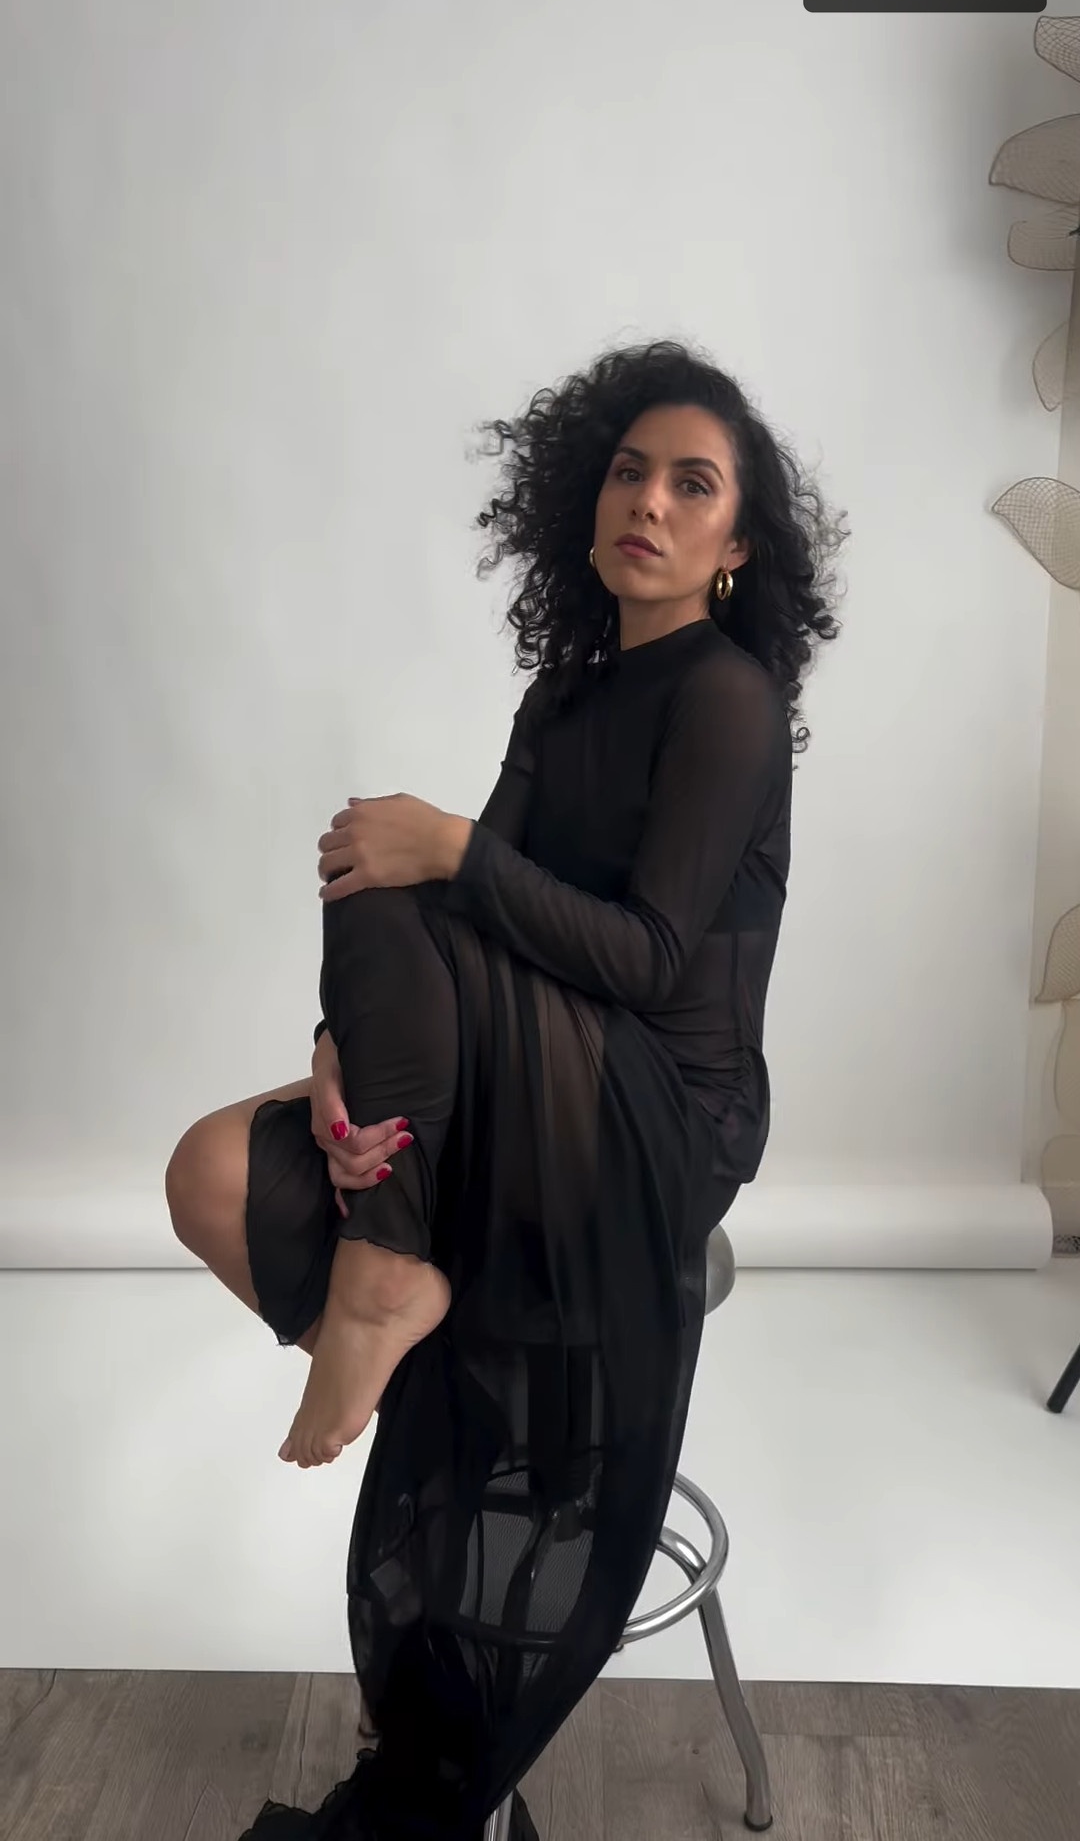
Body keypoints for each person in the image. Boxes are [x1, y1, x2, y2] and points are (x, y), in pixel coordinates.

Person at [165, 337, 844, 1839]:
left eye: (692, 486)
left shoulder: (725, 699)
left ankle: (391, 1282)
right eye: (629, 473)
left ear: (737, 546)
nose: (649, 503)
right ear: (584, 500)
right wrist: (340, 1061)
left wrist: (457, 848)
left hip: (663, 1111)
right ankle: (407, 1292)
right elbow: (458, 936)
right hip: (537, 1073)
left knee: (400, 854)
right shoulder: (563, 694)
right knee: (216, 1159)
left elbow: (650, 960)